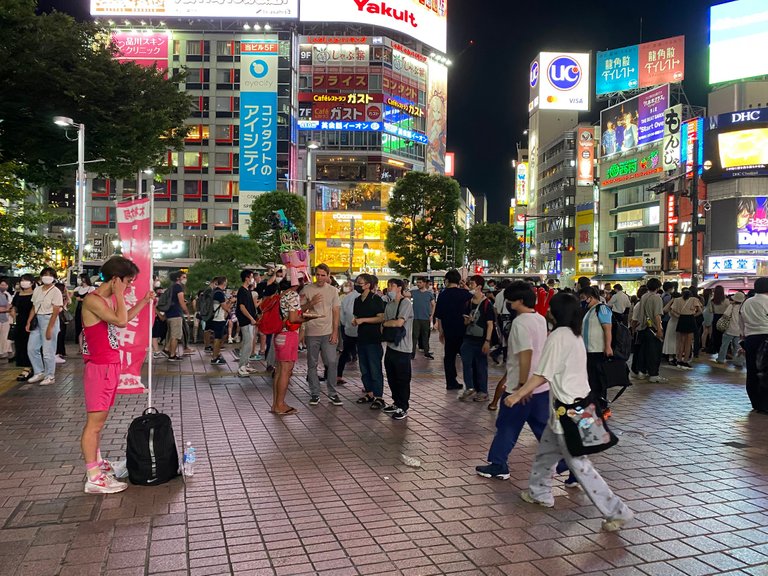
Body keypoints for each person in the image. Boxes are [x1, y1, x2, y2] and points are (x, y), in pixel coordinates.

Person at [505, 292, 634, 532]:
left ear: (556, 312)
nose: (548, 310)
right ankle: (539, 492)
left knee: (580, 465)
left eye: (551, 308)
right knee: (545, 455)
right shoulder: (574, 335)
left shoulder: (558, 336)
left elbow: (543, 374)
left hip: (569, 413)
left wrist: (517, 394)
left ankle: (617, 511)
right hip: (579, 407)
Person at [80, 256, 154, 494]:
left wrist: (143, 302)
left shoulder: (105, 300)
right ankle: (94, 476)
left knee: (98, 424)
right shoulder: (93, 300)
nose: (130, 286)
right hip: (100, 368)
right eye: (128, 281)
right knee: (94, 424)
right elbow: (121, 321)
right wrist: (120, 294)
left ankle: (98, 465)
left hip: (108, 366)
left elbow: (123, 318)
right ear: (115, 279)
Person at [476, 281, 553, 480]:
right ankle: (567, 464)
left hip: (522, 387)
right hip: (540, 385)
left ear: (520, 300)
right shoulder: (540, 319)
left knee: (507, 426)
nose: (508, 302)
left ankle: (498, 464)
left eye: (510, 299)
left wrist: (521, 387)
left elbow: (525, 353)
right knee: (542, 428)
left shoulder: (520, 323)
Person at [301, 263, 342, 406]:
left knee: (331, 362)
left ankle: (332, 392)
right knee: (312, 363)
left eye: (323, 275)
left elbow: (336, 312)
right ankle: (314, 393)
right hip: (312, 332)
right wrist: (310, 303)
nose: (319, 277)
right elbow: (300, 309)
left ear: (328, 276)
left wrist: (335, 332)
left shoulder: (333, 291)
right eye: (317, 274)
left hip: (328, 332)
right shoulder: (307, 289)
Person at [271, 277, 308, 416]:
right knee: (286, 371)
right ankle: (281, 405)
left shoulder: (282, 294)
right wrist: (308, 318)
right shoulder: (293, 295)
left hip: (279, 334)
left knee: (280, 370)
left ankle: (276, 404)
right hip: (289, 335)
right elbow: (293, 319)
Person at [459, 275, 496, 402]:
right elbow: (464, 322)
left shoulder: (487, 304)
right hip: (468, 338)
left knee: (481, 366)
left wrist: (487, 341)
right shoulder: (467, 303)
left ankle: (483, 391)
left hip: (481, 340)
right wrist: (468, 320)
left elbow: (490, 324)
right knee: (466, 363)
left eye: (472, 284)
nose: (470, 286)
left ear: (479, 286)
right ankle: (470, 387)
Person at [434, 269, 472, 391]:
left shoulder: (443, 295)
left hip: (449, 330)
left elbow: (439, 315)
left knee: (449, 358)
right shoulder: (465, 294)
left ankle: (451, 382)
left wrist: (441, 331)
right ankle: (470, 384)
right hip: (464, 330)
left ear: (447, 280)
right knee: (466, 357)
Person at [382, 279, 414, 420]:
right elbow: (387, 322)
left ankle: (403, 406)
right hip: (391, 345)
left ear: (400, 288)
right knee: (391, 376)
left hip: (403, 348)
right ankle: (396, 403)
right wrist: (387, 323)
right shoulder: (389, 304)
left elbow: (399, 322)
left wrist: (386, 323)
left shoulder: (405, 303)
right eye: (388, 286)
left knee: (402, 378)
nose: (390, 288)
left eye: (392, 286)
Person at [353, 273, 386, 408]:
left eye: (360, 283)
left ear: (368, 285)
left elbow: (381, 318)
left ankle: (379, 396)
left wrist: (364, 320)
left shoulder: (376, 299)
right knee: (364, 368)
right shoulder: (357, 300)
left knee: (375, 368)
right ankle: (370, 392)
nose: (357, 285)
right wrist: (355, 321)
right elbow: (356, 315)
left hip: (373, 339)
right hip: (361, 338)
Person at [26, 267, 64, 386]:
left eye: (49, 275)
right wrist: (29, 321)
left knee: (48, 351)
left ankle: (50, 376)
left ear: (54, 277)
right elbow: (34, 307)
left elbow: (56, 311)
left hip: (49, 319)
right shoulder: (37, 289)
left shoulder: (56, 291)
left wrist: (49, 329)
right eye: (44, 274)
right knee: (32, 348)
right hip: (38, 319)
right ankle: (39, 372)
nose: (46, 277)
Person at [580, 286, 613, 414]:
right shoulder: (590, 310)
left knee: (598, 381)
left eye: (583, 298)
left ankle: (602, 406)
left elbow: (607, 328)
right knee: (592, 380)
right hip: (589, 351)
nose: (582, 301)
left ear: (590, 297)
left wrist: (608, 346)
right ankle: (594, 405)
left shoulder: (602, 308)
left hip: (598, 350)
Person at [739, 278, 768, 413]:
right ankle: (765, 404)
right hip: (765, 338)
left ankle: (756, 403)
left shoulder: (747, 302)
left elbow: (741, 322)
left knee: (752, 371)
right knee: (765, 371)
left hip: (750, 339)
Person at [636, 278, 666, 383]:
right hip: (652, 328)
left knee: (643, 351)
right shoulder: (657, 298)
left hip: (643, 327)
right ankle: (653, 374)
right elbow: (657, 315)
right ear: (658, 287)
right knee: (654, 352)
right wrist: (659, 329)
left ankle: (641, 372)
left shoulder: (644, 296)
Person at [235, 270, 260, 377]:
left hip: (249, 321)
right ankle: (241, 366)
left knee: (249, 343)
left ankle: (246, 363)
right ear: (246, 278)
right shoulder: (242, 291)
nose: (252, 279)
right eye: (251, 277)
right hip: (245, 321)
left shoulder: (247, 290)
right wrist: (251, 318)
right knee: (247, 343)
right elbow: (242, 307)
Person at [10, 275, 35, 380]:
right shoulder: (18, 294)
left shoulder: (35, 294)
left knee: (30, 345)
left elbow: (34, 308)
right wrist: (13, 313)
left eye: (26, 281)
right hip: (19, 322)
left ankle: (29, 367)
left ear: (32, 283)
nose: (24, 282)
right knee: (20, 344)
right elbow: (13, 306)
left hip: (31, 323)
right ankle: (25, 366)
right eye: (22, 281)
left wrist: (29, 321)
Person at [671, 289, 701, 370]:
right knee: (689, 342)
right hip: (690, 319)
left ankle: (679, 359)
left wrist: (678, 316)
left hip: (682, 319)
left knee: (681, 342)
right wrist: (693, 315)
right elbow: (700, 311)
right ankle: (685, 361)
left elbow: (672, 310)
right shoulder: (694, 300)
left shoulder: (677, 300)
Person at [163, 271, 189, 361]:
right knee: (176, 336)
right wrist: (187, 312)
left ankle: (167, 349)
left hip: (169, 314)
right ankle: (172, 355)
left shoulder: (171, 287)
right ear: (178, 278)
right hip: (176, 314)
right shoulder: (178, 287)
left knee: (172, 334)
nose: (185, 279)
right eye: (184, 277)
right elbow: (182, 302)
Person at [337, 280, 359, 385]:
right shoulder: (360, 297)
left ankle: (338, 375)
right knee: (363, 355)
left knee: (345, 352)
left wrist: (345, 325)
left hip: (348, 329)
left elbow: (342, 317)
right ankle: (368, 384)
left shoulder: (346, 298)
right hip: (360, 331)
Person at [717, 292, 745, 369]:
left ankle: (721, 359)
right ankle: (738, 361)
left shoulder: (731, 306)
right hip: (739, 331)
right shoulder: (743, 308)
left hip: (729, 329)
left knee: (724, 345)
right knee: (738, 347)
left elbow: (725, 315)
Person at [209, 277, 233, 365]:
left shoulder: (215, 291)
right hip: (218, 318)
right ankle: (215, 357)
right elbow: (224, 307)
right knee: (217, 337)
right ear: (224, 283)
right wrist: (231, 304)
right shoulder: (219, 293)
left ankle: (217, 354)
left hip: (217, 318)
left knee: (223, 334)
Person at [411, 276, 436, 360]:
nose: (418, 284)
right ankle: (412, 353)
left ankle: (426, 352)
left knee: (426, 336)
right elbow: (405, 294)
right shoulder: (414, 292)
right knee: (414, 336)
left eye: (420, 282)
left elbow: (433, 305)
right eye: (417, 282)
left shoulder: (429, 294)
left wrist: (431, 315)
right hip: (416, 318)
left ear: (424, 283)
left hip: (425, 318)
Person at [73, 273, 96, 352]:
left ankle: (88, 346)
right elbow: (74, 297)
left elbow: (92, 299)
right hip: (79, 310)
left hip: (88, 310)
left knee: (87, 328)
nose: (81, 280)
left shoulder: (91, 288)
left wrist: (82, 300)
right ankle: (80, 347)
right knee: (79, 328)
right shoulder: (77, 289)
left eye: (82, 278)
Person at [707, 286, 729, 355]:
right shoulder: (726, 300)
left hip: (715, 317)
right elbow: (728, 311)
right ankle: (722, 351)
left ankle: (715, 348)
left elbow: (710, 310)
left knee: (715, 334)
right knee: (723, 335)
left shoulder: (712, 301)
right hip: (724, 318)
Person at [55, 282, 70, 364]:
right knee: (60, 335)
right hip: (60, 317)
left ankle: (59, 352)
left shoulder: (61, 296)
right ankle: (59, 352)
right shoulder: (60, 296)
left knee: (59, 335)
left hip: (60, 317)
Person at [0, 277, 11, 361]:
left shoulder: (6, 295)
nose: (3, 286)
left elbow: (9, 306)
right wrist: (6, 309)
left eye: (5, 285)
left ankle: (3, 352)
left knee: (4, 336)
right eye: (2, 284)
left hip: (5, 319)